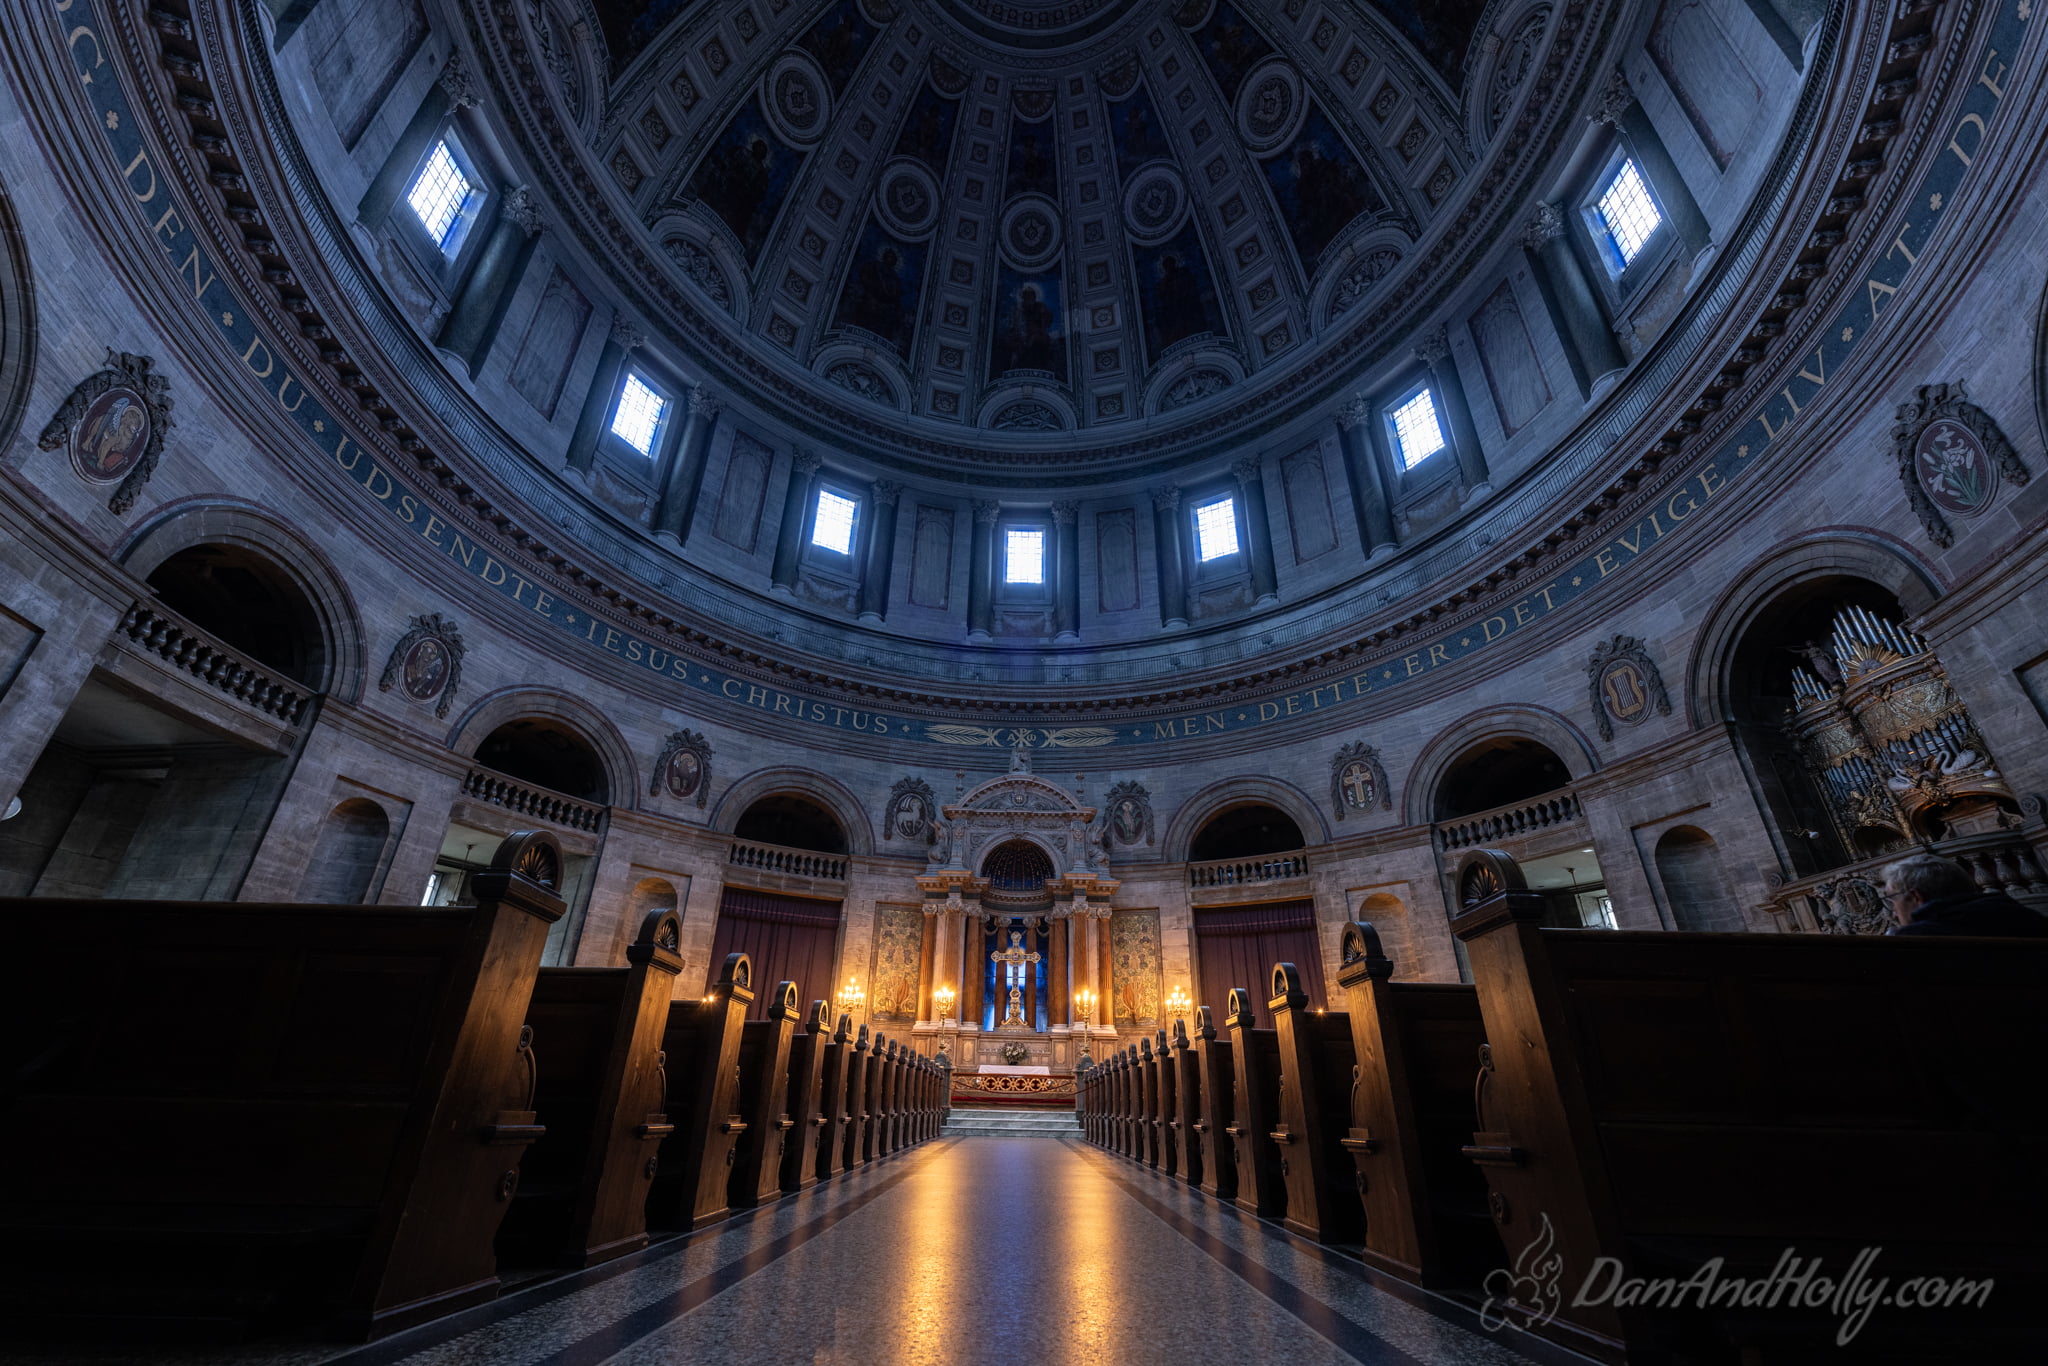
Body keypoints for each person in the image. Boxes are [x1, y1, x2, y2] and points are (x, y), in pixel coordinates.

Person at [1880, 852, 2048, 936]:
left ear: (1916, 897)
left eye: (1892, 900)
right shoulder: (2028, 918)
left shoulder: (1912, 942)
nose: (1894, 913)